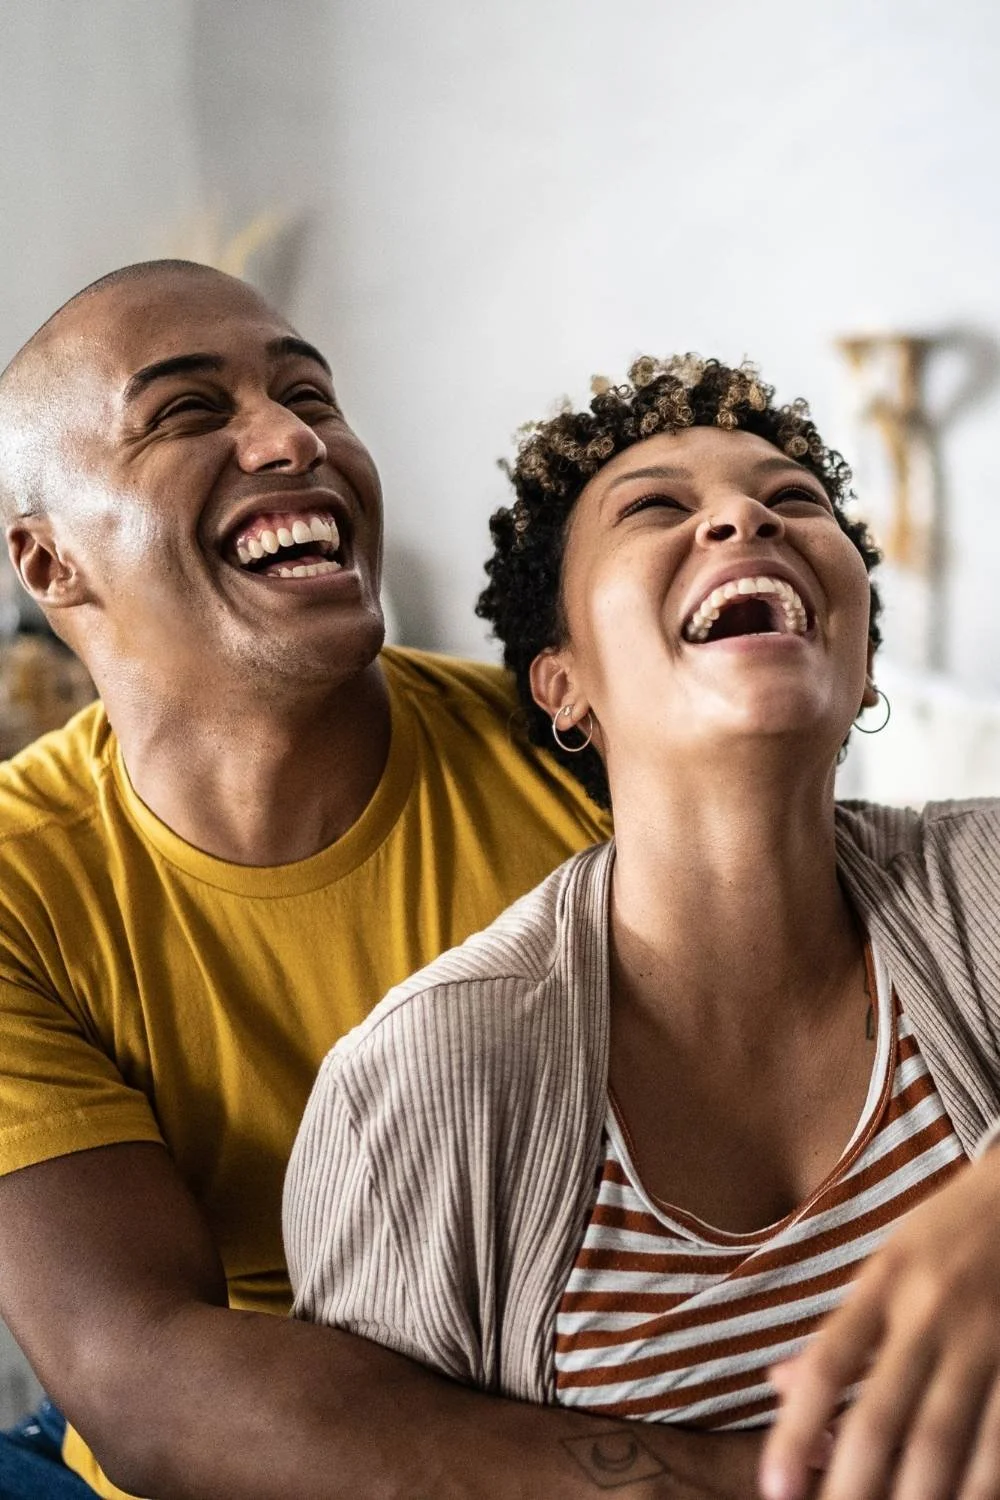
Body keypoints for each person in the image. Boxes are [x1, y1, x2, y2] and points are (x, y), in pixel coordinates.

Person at [0, 260, 770, 1500]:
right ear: (50, 566)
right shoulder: (18, 888)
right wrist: (732, 1483)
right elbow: (141, 1373)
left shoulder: (576, 760)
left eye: (310, 394)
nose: (291, 435)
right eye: (191, 412)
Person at [285, 354, 1000, 1500]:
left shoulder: (986, 881)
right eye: (657, 505)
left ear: (863, 661)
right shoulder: (423, 1082)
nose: (743, 515)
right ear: (560, 683)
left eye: (795, 501)